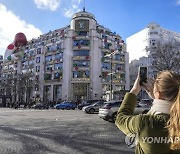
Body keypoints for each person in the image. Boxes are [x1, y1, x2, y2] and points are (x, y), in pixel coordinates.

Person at [115, 70, 180, 154]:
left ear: (158, 94)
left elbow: (120, 119)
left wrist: (134, 91)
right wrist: (157, 98)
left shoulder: (145, 123)